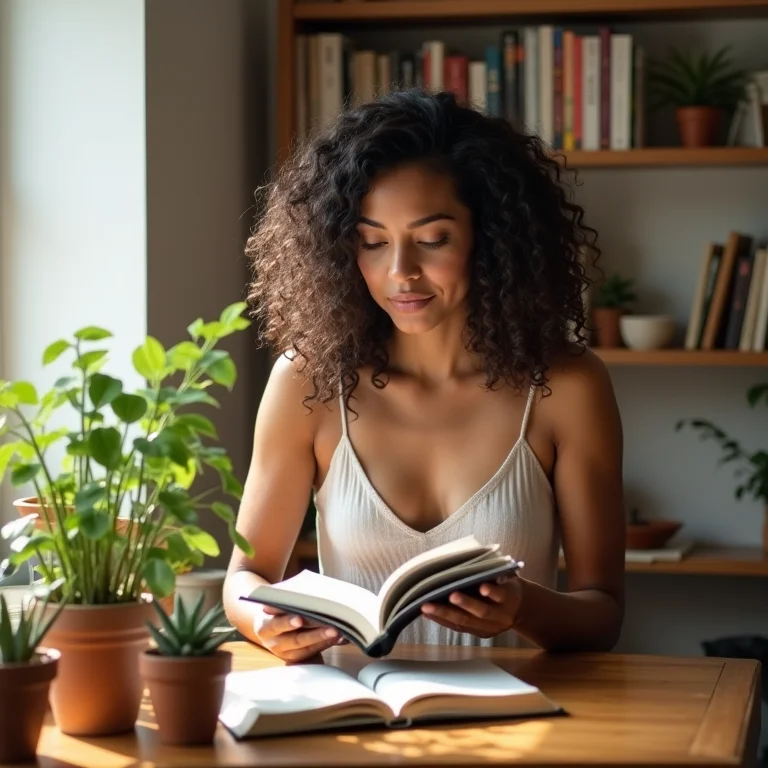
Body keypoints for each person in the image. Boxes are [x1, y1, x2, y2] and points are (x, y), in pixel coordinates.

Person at [223, 88, 625, 663]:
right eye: (372, 242)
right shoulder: (308, 383)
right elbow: (246, 575)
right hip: (354, 707)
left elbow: (603, 612)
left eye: (432, 240)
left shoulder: (566, 388)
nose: (400, 272)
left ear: (491, 237)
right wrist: (264, 620)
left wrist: (523, 609)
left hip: (515, 711)